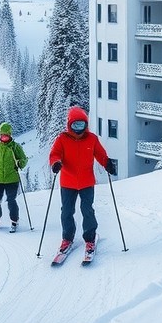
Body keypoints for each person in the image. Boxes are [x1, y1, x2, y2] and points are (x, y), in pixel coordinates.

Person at [49, 105, 116, 255]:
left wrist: (107, 163)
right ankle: (67, 238)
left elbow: (100, 154)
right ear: (69, 124)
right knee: (66, 211)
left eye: (82, 124)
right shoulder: (62, 139)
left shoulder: (91, 139)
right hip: (68, 182)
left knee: (87, 210)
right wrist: (56, 163)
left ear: (86, 124)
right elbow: (54, 154)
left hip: (86, 182)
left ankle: (90, 239)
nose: (78, 129)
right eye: (75, 124)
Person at [0, 122, 28, 230]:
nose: (4, 137)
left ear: (10, 135)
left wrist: (20, 163)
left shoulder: (15, 147)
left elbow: (24, 159)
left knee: (11, 200)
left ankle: (14, 220)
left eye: (6, 135)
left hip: (12, 179)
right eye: (2, 135)